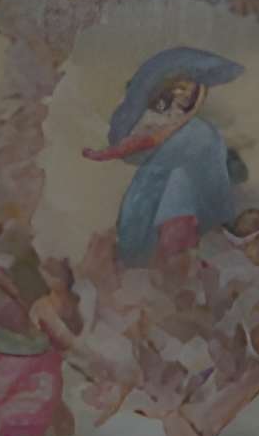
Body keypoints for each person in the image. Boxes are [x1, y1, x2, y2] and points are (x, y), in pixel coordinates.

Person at [83, 48, 247, 271]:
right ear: (168, 90)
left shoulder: (192, 126)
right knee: (193, 148)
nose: (186, 93)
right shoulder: (159, 119)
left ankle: (186, 251)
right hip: (159, 176)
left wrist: (196, 102)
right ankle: (174, 254)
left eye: (191, 89)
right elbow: (147, 140)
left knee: (199, 141)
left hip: (185, 174)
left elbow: (181, 125)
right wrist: (105, 154)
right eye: (181, 88)